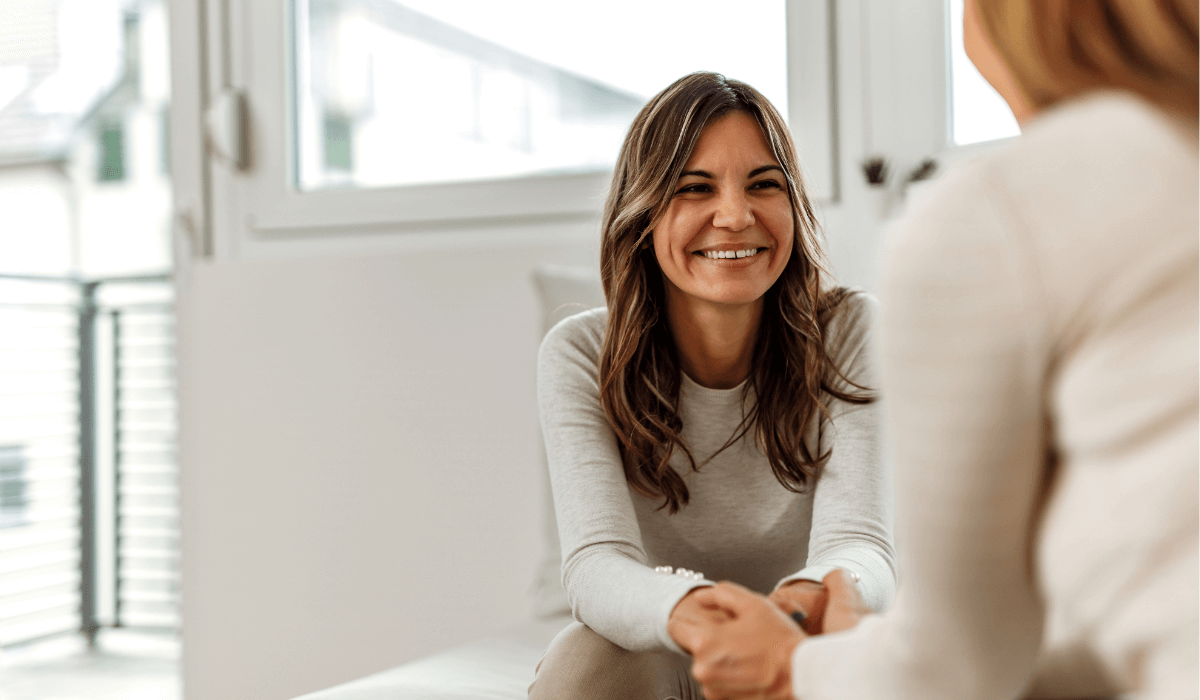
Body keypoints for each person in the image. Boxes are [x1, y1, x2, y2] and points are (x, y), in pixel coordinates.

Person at [672, 1, 1199, 699]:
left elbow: (957, 670)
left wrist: (795, 667)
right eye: (695, 187)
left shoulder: (999, 217)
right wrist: (860, 654)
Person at [527, 72, 898, 699]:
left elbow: (859, 545)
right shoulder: (579, 353)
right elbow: (596, 567)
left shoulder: (850, 330)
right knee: (586, 660)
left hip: (803, 646)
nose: (735, 215)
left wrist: (794, 611)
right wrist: (700, 616)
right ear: (642, 213)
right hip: (666, 644)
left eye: (764, 185)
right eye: (695, 188)